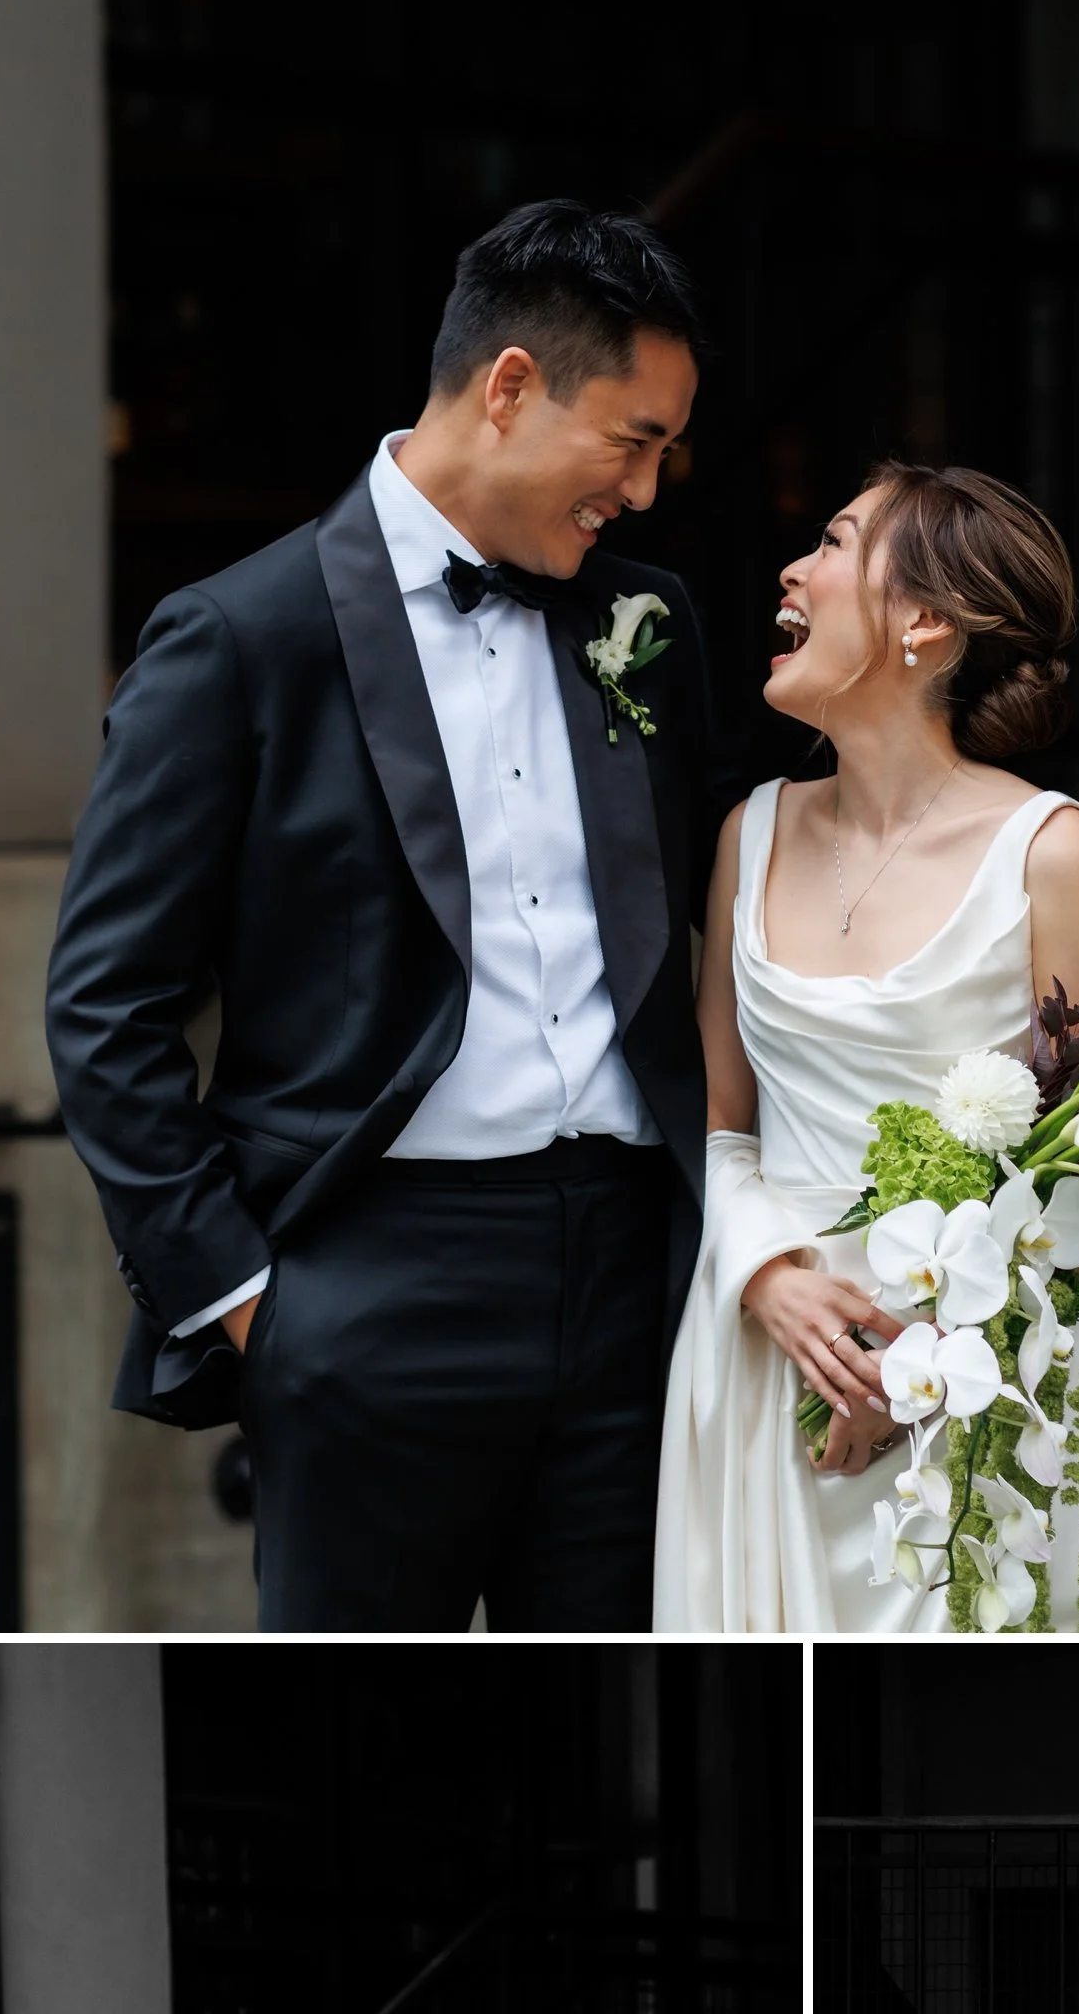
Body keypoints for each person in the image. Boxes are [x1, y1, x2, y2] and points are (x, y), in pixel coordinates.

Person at [46, 201, 725, 1631]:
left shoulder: (646, 622)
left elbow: (698, 947)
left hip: (630, 1285)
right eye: (636, 440)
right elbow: (105, 1006)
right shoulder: (241, 636)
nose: (650, 492)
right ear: (511, 386)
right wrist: (246, 1299)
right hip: (371, 1288)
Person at [653, 461, 1079, 1632]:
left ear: (924, 622)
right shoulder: (746, 833)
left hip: (972, 1404)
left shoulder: (1050, 852)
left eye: (832, 543)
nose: (791, 568)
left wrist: (923, 1366)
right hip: (761, 1359)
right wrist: (767, 1276)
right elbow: (723, 1128)